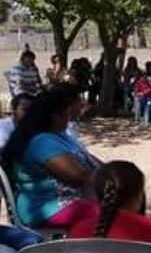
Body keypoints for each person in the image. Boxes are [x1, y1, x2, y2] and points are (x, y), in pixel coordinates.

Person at [1, 88, 99, 229]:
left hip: (72, 200)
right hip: (46, 207)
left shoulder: (60, 135)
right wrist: (104, 175)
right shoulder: (42, 141)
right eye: (66, 112)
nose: (68, 116)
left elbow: (90, 160)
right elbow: (78, 177)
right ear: (55, 115)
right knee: (111, 213)